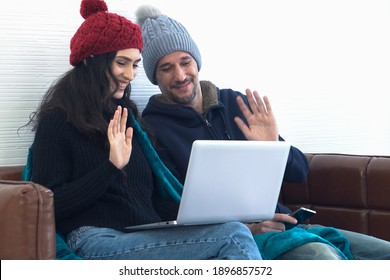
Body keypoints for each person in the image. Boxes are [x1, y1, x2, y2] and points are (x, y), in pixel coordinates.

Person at [135, 5, 390, 260]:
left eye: (185, 61)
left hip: (288, 226)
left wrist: (272, 145)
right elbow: (167, 208)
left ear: (197, 60)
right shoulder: (151, 130)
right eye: (166, 68)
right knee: (321, 257)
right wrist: (246, 229)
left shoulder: (236, 104)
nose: (180, 75)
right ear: (154, 76)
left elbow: (299, 172)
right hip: (236, 241)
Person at [25, 0, 262, 260]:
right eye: (121, 63)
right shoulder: (59, 119)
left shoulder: (129, 118)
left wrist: (208, 215)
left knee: (232, 230)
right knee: (233, 237)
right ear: (93, 62)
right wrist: (110, 167)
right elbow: (46, 206)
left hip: (145, 234)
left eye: (135, 64)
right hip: (95, 239)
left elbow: (147, 200)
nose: (130, 74)